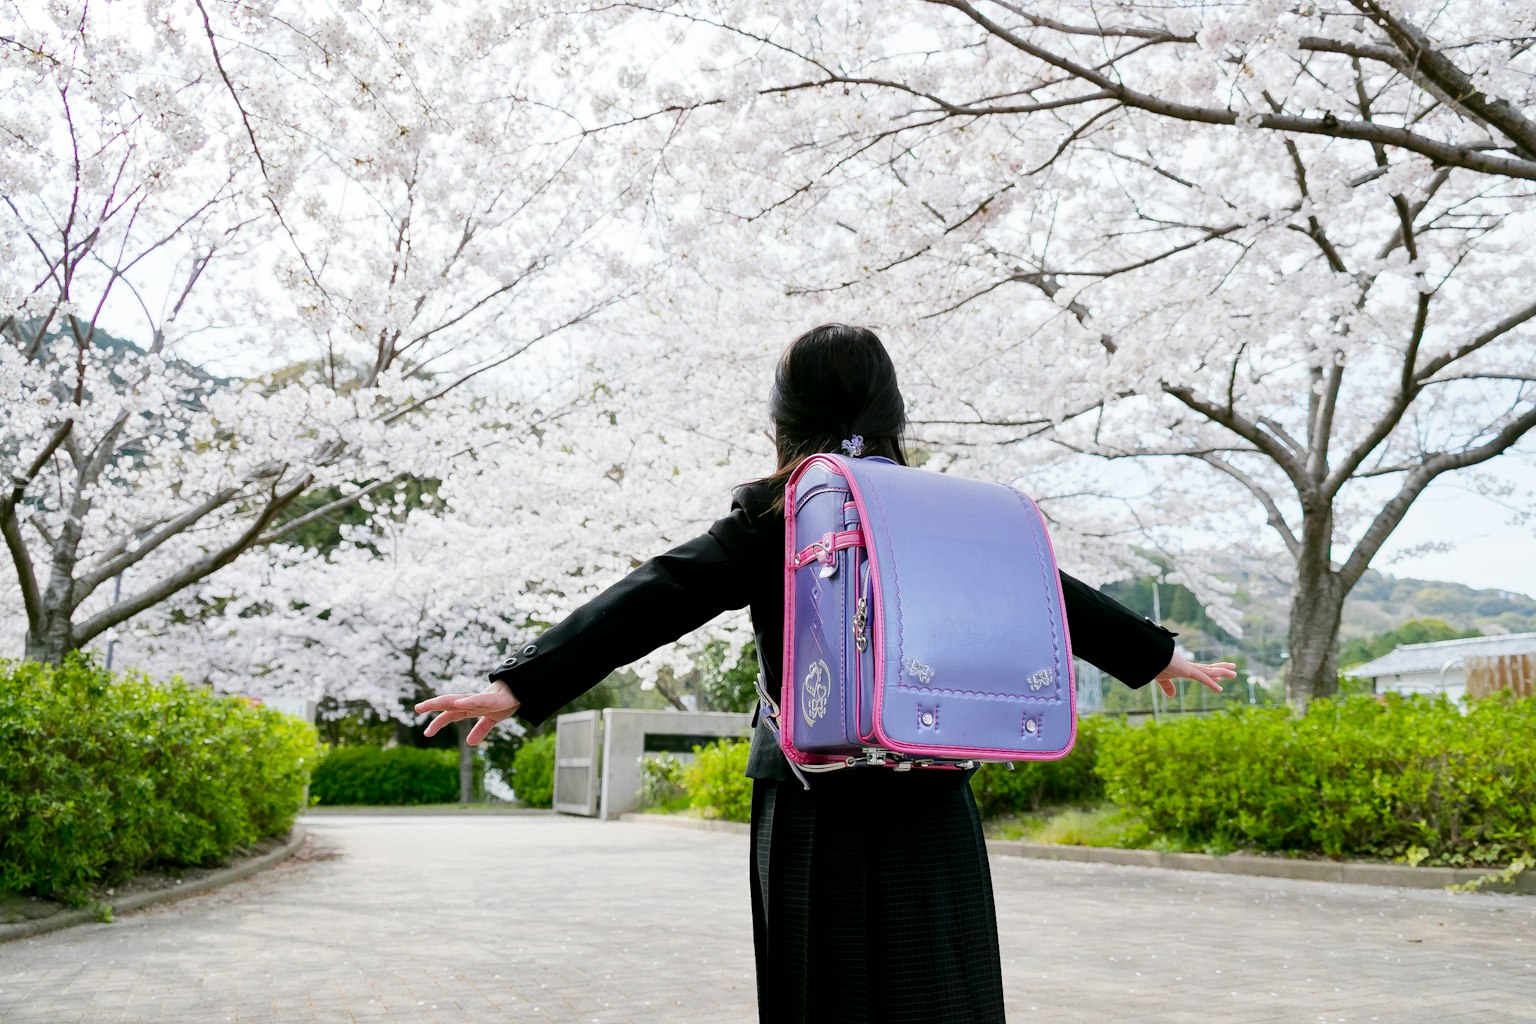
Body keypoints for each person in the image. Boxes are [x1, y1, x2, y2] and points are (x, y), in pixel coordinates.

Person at [415, 323, 1236, 1024]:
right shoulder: (943, 510)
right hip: (930, 786)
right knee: (942, 989)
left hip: (810, 797)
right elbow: (1042, 589)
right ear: (894, 412)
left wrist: (520, 684)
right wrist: (1157, 655)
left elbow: (658, 593)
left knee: (822, 990)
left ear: (784, 417)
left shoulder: (773, 513)